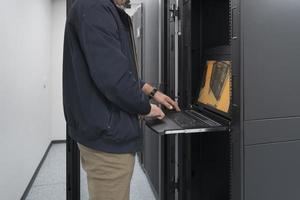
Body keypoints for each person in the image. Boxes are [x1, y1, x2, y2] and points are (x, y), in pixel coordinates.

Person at [63, 0, 180, 199]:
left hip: (104, 131)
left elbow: (119, 70)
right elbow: (114, 80)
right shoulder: (95, 8)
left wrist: (152, 92)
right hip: (107, 138)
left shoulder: (98, 9)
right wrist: (146, 107)